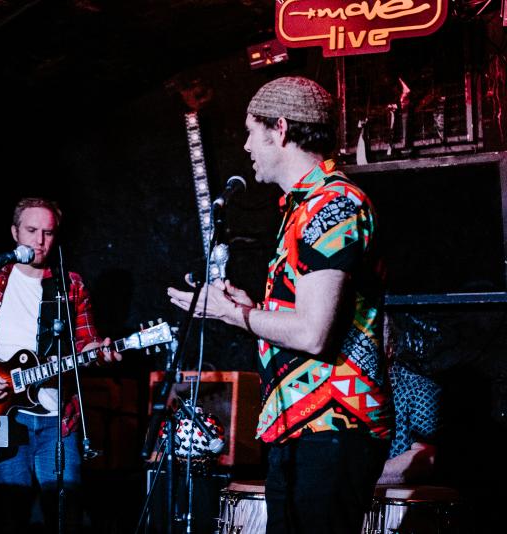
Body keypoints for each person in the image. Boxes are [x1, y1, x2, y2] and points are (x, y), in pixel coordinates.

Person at [168, 76, 393, 533]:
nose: (247, 146)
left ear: (281, 129)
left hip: (333, 422)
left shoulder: (333, 205)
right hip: (303, 422)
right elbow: (306, 316)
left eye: (252, 132)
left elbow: (313, 333)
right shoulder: (304, 206)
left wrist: (232, 313)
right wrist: (250, 308)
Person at [0, 197, 120, 532]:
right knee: (9, 515)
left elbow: (86, 343)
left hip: (58, 421)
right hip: (4, 417)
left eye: (48, 233)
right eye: (31, 230)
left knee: (65, 516)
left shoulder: (70, 285)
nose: (39, 241)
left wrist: (101, 350)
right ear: (15, 232)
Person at [378, 313, 441, 485]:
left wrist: (361, 477)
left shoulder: (419, 390)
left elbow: (425, 457)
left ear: (389, 348)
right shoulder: (345, 390)